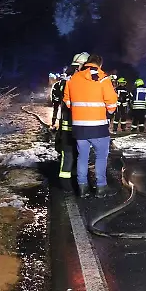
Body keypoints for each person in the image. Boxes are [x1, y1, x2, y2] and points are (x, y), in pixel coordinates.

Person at [63, 54, 118, 198]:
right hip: (98, 126)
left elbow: (68, 102)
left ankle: (82, 188)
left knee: (82, 156)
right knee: (101, 157)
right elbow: (112, 102)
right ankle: (101, 188)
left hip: (79, 127)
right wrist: (109, 112)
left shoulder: (73, 79)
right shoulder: (103, 78)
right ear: (99, 64)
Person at [55, 52, 88, 190]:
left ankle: (67, 182)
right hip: (78, 124)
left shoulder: (65, 79)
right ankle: (70, 182)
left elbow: (58, 96)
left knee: (68, 152)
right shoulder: (79, 79)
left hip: (67, 123)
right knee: (75, 152)